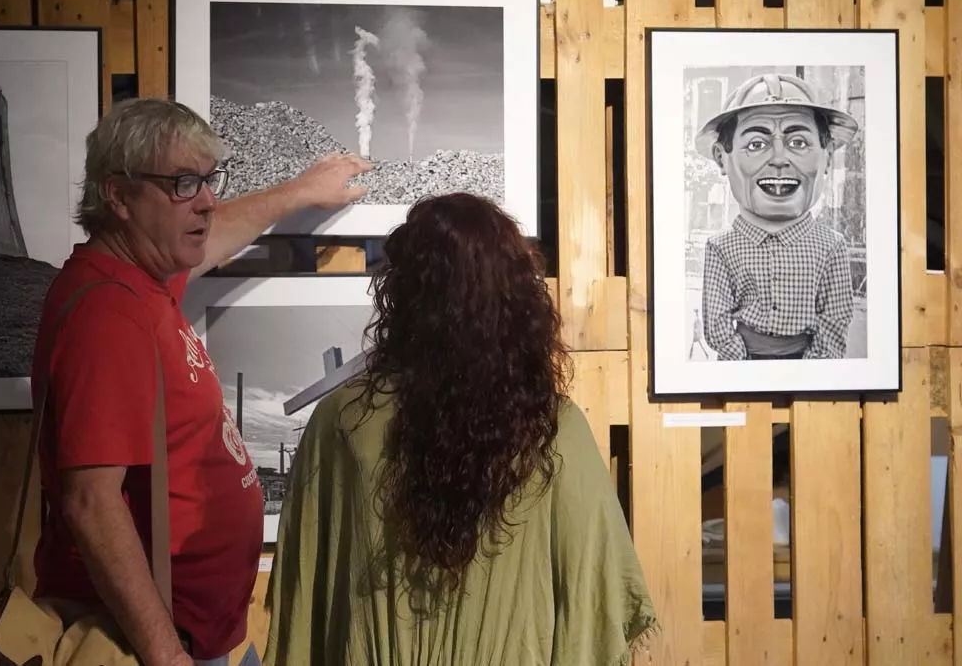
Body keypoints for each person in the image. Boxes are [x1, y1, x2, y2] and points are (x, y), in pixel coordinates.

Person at [30, 97, 372, 666]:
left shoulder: (142, 277)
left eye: (210, 180)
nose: (209, 202)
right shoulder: (109, 316)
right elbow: (90, 502)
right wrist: (168, 657)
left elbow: (214, 235)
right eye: (184, 183)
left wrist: (300, 191)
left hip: (193, 636)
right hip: (145, 645)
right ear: (118, 195)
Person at [261, 193, 658, 665]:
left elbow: (305, 600)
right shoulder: (552, 427)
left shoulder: (343, 420)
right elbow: (597, 600)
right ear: (515, 297)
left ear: (402, 294)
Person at [696, 72, 860, 361]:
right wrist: (742, 364)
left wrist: (810, 370)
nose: (780, 158)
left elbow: (835, 320)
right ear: (723, 158)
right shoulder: (721, 247)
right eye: (757, 144)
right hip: (741, 367)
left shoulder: (831, 246)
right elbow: (717, 322)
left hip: (809, 368)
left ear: (828, 157)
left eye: (798, 142)